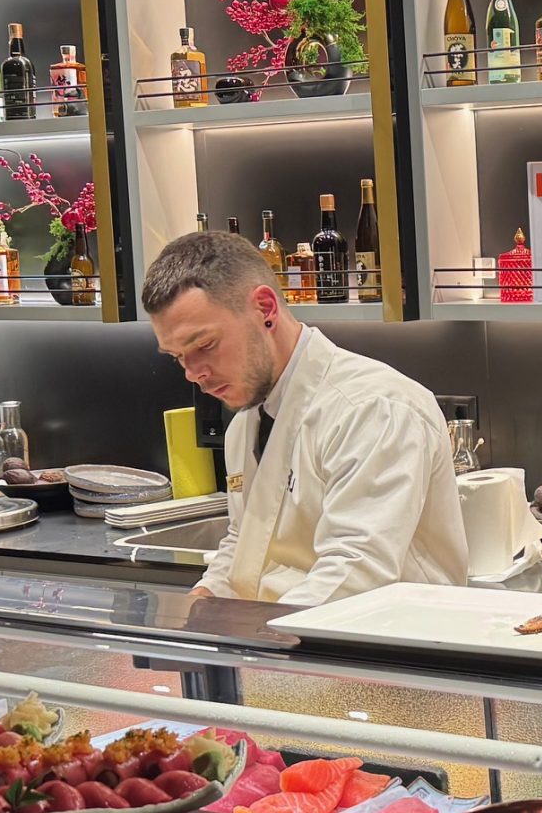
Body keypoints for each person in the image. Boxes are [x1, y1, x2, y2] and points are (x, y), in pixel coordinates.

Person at [142, 232, 465, 605]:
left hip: (384, 637)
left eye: (205, 345)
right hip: (283, 634)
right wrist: (204, 598)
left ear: (265, 309)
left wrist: (258, 634)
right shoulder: (246, 421)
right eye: (177, 357)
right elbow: (245, 542)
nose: (192, 373)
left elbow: (355, 572)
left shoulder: (373, 408)